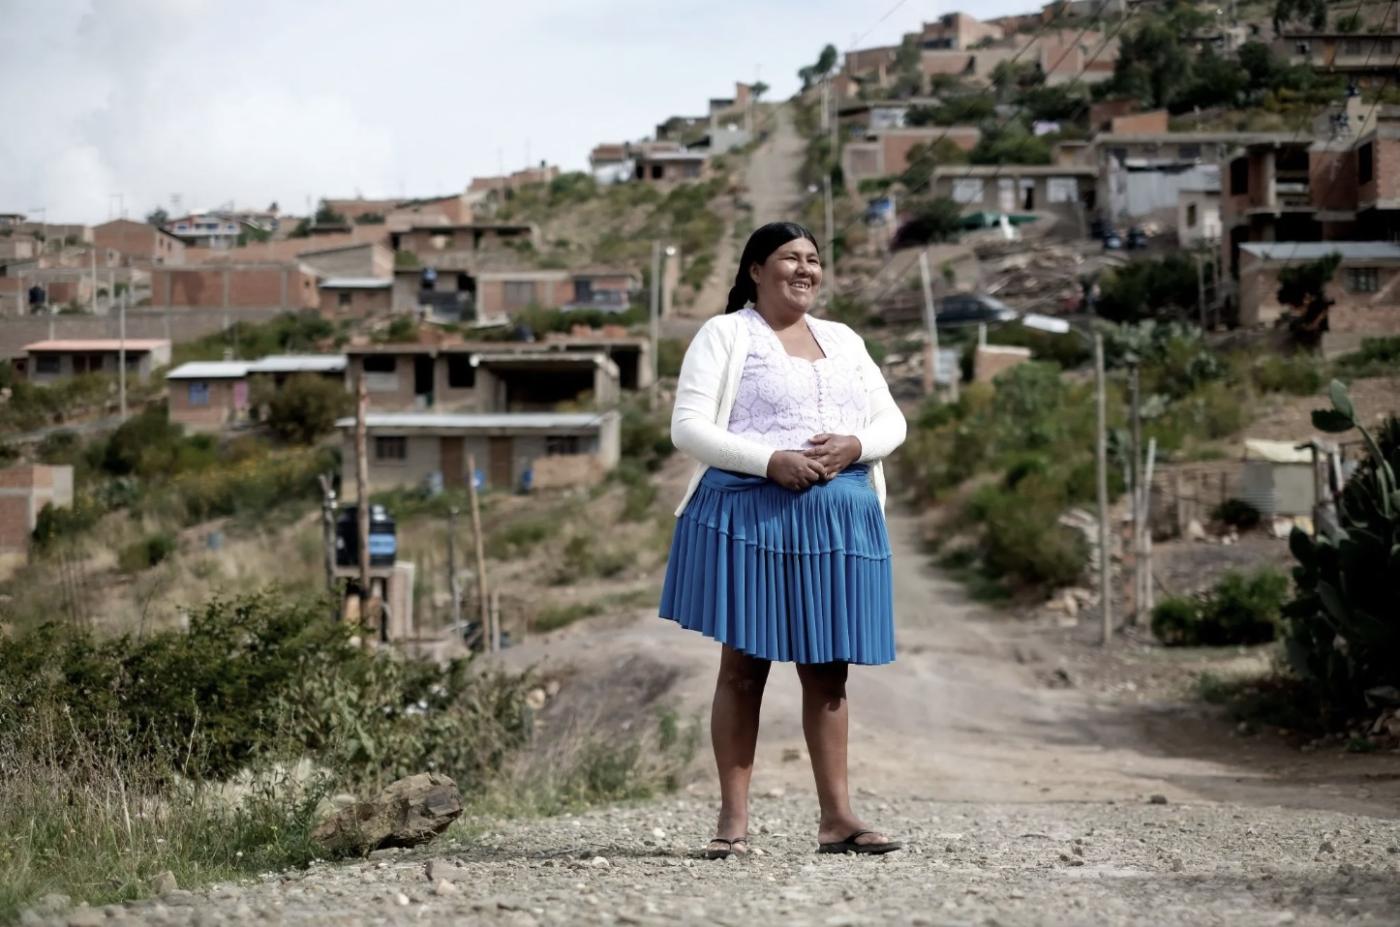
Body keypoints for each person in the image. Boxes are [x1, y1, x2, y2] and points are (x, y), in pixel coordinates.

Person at [659, 222, 907, 859]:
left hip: (836, 523)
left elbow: (891, 421)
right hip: (753, 517)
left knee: (829, 672)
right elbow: (688, 428)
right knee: (744, 670)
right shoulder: (725, 335)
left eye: (814, 260)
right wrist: (770, 460)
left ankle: (839, 819)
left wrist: (856, 445)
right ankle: (732, 824)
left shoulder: (845, 340)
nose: (805, 269)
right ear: (754, 270)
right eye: (791, 258)